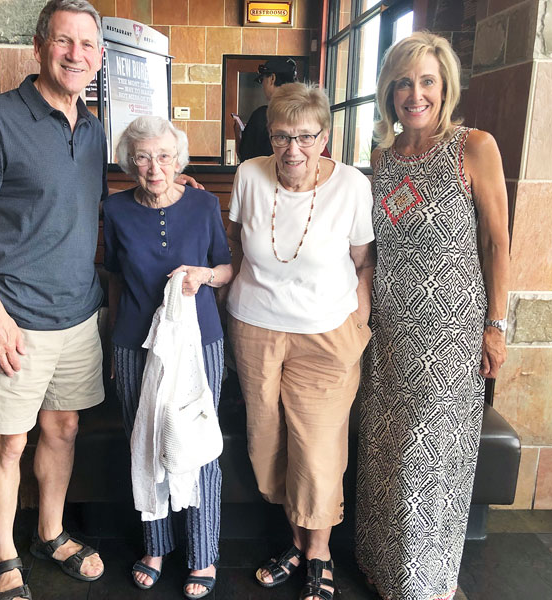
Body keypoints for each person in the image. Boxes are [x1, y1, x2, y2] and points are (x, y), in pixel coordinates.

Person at [355, 32, 510, 600]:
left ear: (444, 87)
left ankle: (425, 582)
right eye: (402, 83)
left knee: (432, 458)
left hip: (450, 332)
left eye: (425, 81)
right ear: (389, 92)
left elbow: (498, 243)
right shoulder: (382, 159)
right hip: (389, 332)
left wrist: (497, 326)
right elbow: (373, 247)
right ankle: (383, 564)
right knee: (387, 451)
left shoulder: (474, 147)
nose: (413, 94)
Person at [226, 82, 375, 600]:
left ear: (325, 137)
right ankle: (294, 541)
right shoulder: (249, 175)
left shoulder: (352, 186)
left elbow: (363, 262)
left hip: (326, 333)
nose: (293, 149)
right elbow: (234, 245)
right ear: (268, 137)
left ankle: (319, 551)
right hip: (255, 329)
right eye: (282, 136)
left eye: (306, 137)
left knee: (317, 447)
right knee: (268, 443)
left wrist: (358, 322)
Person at [103, 116, 233, 599]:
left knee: (199, 444)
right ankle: (155, 546)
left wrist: (205, 276)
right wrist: (113, 345)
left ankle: (203, 554)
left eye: (163, 156)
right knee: (143, 442)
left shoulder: (203, 203)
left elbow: (226, 266)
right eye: (142, 156)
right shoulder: (115, 210)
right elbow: (115, 277)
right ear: (129, 162)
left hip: (200, 342)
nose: (154, 167)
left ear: (179, 160)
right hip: (134, 343)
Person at [234, 57, 297, 161]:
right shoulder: (305, 114)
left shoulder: (263, 115)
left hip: (266, 175)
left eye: (262, 80)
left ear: (272, 78)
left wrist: (238, 136)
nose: (262, 85)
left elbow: (246, 158)